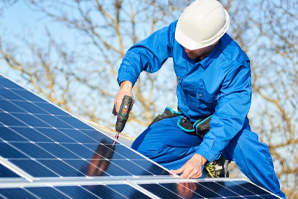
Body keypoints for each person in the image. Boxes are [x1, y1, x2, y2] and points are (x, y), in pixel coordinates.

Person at [113, 0, 285, 198]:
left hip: (221, 127)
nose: (186, 49)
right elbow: (143, 52)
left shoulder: (235, 63)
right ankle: (211, 161)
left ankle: (275, 195)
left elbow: (228, 119)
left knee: (251, 152)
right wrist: (126, 86)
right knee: (140, 153)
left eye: (193, 47)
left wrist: (201, 156)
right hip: (188, 123)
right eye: (184, 43)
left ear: (213, 41)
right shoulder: (180, 31)